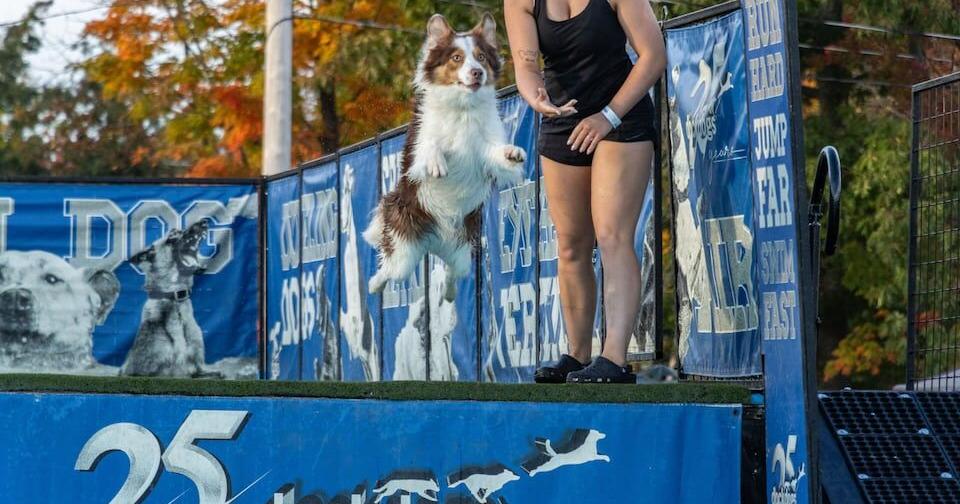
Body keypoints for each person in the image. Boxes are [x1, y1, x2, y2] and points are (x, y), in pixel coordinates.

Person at [504, 0, 665, 383]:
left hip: (620, 115)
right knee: (572, 244)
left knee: (611, 235)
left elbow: (654, 55)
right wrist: (535, 96)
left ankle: (614, 358)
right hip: (564, 120)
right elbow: (526, 66)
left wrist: (608, 116)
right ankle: (578, 356)